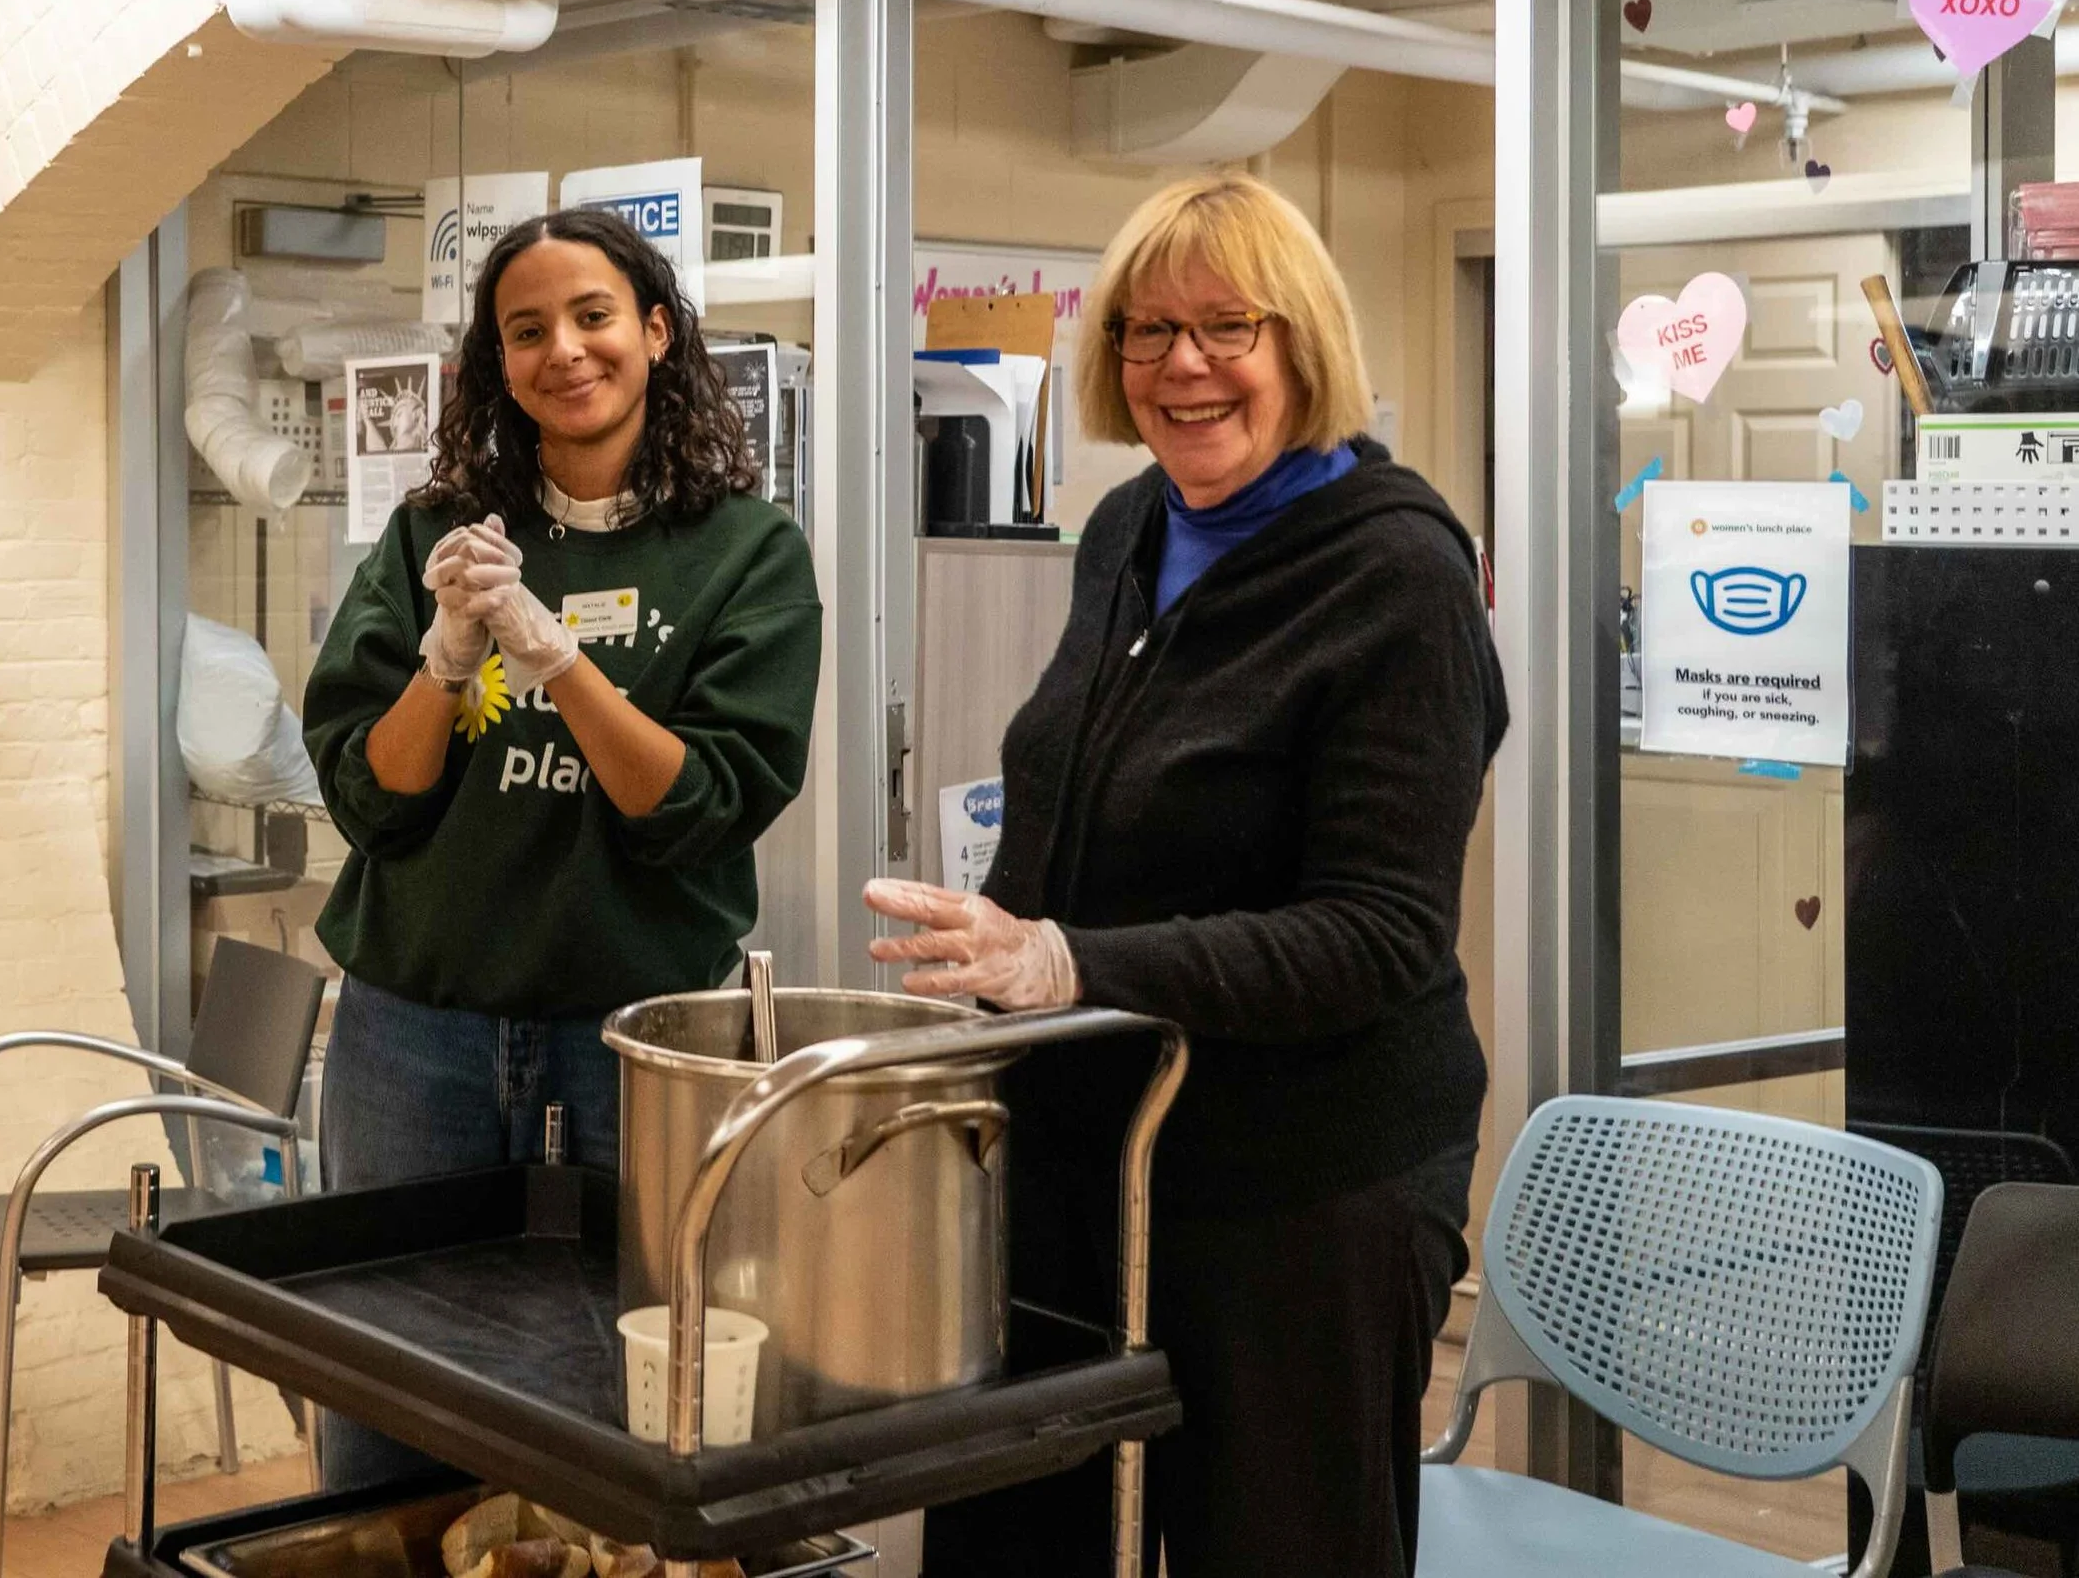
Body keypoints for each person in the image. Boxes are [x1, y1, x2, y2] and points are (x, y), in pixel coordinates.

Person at [867, 170, 1507, 1577]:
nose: (1184, 366)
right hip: (1086, 1152)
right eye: (1147, 333)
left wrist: (1075, 961)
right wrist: (984, 994)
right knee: (1017, 1533)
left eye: (1229, 326)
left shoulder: (1397, 577)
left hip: (1301, 1189)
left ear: (1304, 347)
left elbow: (1378, 933)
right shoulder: (1128, 531)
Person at [303, 207, 822, 1491]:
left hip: (634, 1040)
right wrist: (446, 656)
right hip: (413, 1026)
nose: (564, 351)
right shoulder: (437, 537)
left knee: (624, 1374)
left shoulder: (743, 553)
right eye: (525, 330)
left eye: (592, 316)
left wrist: (558, 659)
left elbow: (698, 802)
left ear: (654, 331)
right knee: (386, 1360)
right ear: (497, 359)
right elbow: (376, 799)